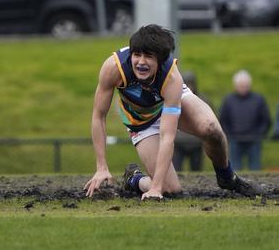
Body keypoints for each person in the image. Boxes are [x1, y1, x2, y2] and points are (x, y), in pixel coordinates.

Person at [84, 24, 261, 199]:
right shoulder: (114, 68)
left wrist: (156, 188)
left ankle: (226, 176)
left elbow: (167, 136)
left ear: (160, 59)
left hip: (168, 102)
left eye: (148, 57)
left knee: (211, 127)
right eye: (137, 55)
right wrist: (101, 167)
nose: (141, 62)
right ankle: (134, 179)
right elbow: (98, 116)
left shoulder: (172, 78)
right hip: (140, 119)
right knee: (170, 190)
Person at [219, 70, 271, 171]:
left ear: (249, 85)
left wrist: (259, 133)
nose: (243, 88)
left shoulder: (259, 99)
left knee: (255, 168)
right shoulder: (228, 100)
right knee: (235, 168)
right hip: (234, 140)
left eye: (245, 85)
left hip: (254, 140)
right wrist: (229, 134)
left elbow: (266, 120)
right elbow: (223, 120)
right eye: (240, 85)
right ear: (235, 85)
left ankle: (257, 186)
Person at [172, 71, 204, 172]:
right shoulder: (172, 100)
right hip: (179, 143)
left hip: (196, 143)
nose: (190, 87)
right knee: (176, 171)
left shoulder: (202, 100)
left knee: (197, 171)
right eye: (187, 84)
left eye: (191, 84)